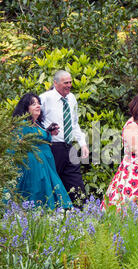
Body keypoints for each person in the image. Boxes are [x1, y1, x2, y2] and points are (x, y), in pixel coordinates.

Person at [12, 93, 72, 209]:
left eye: (39, 103)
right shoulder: (22, 124)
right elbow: (15, 145)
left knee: (52, 190)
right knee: (37, 193)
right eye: (33, 104)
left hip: (46, 164)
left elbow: (40, 136)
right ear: (26, 108)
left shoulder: (37, 124)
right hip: (34, 166)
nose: (38, 106)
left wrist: (48, 132)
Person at [39, 70, 89, 204]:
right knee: (53, 182)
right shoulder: (45, 98)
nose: (69, 85)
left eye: (70, 82)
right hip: (52, 147)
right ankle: (52, 212)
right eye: (65, 82)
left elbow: (74, 123)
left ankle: (81, 212)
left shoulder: (71, 98)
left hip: (69, 146)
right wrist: (46, 132)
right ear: (55, 83)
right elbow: (35, 120)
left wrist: (83, 143)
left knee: (76, 181)